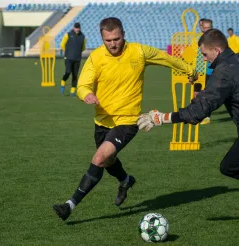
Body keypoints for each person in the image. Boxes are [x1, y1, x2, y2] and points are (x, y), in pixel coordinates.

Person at [53, 17, 197, 221]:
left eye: (117, 39)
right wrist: (85, 93)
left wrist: (189, 70)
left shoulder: (139, 52)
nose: (113, 44)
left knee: (99, 158)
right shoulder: (96, 57)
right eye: (108, 40)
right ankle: (126, 180)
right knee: (108, 161)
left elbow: (166, 59)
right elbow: (84, 83)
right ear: (102, 38)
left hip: (128, 121)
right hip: (102, 121)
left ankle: (69, 205)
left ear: (124, 35)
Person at [138, 29, 239, 180]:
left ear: (217, 50)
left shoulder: (223, 72)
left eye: (205, 54)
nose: (204, 59)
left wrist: (162, 118)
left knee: (229, 167)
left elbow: (198, 111)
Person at [194, 18, 214, 125]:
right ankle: (197, 114)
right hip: (198, 70)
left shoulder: (214, 39)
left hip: (209, 71)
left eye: (208, 28)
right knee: (196, 93)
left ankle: (207, 116)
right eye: (204, 27)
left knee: (206, 94)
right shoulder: (198, 38)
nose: (206, 29)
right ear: (200, 27)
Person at [60, 22, 86, 97]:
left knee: (75, 75)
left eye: (78, 28)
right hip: (68, 58)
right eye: (76, 27)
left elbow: (83, 47)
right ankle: (63, 82)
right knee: (68, 71)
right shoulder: (68, 35)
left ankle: (72, 92)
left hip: (77, 59)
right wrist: (68, 53)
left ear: (80, 28)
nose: (77, 29)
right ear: (73, 28)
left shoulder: (82, 36)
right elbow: (62, 45)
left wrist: (76, 53)